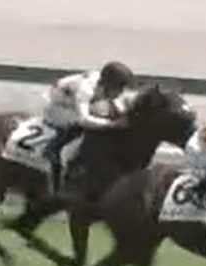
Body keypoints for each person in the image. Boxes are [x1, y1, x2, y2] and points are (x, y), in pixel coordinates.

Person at [39, 61, 137, 192]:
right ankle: (53, 149)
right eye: (119, 88)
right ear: (109, 84)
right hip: (58, 105)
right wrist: (112, 124)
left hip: (73, 100)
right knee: (81, 122)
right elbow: (83, 120)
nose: (121, 92)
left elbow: (118, 105)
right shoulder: (86, 90)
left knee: (103, 112)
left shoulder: (103, 84)